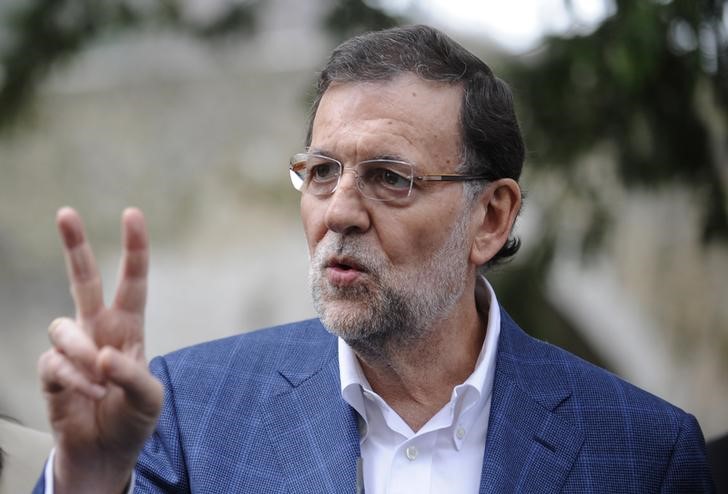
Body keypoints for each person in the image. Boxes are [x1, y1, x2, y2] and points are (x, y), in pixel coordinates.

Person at [34, 25, 714, 493]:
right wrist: (89, 478)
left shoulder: (643, 452)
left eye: (392, 177)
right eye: (322, 171)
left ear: (491, 216)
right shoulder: (192, 413)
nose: (340, 211)